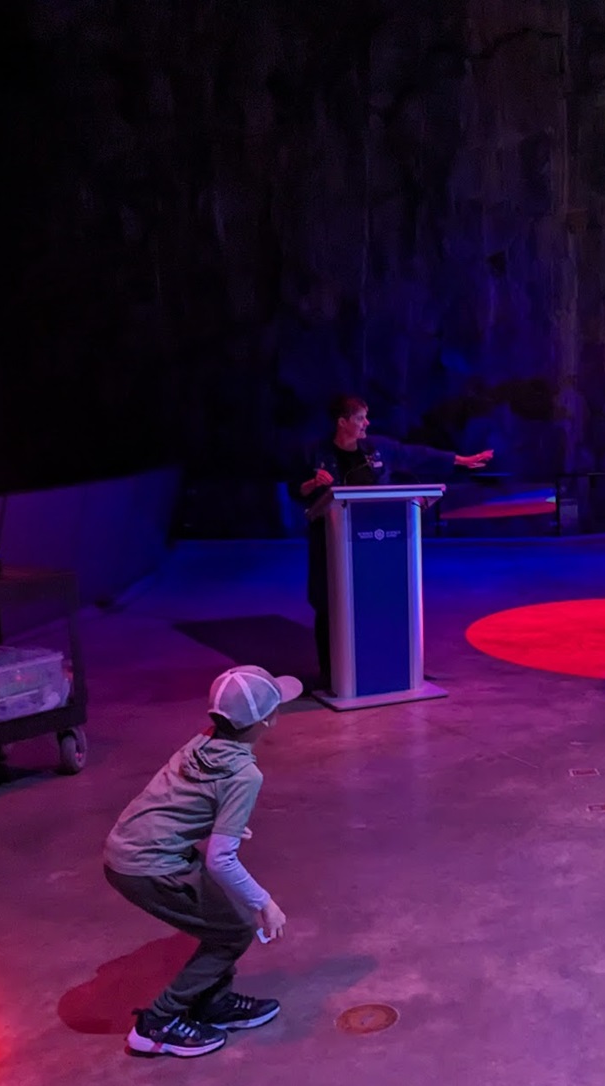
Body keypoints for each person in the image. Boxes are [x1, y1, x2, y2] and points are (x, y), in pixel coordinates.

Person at [103, 664, 302, 1059]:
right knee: (234, 931)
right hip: (150, 865)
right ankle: (155, 1025)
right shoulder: (244, 774)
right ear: (268, 721)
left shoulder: (203, 741)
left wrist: (218, 822)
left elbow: (182, 800)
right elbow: (221, 860)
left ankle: (212, 1002)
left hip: (127, 849)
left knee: (225, 920)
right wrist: (265, 902)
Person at [293, 394, 493, 687]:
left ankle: (379, 664)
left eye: (366, 417)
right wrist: (312, 484)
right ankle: (332, 676)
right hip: (331, 546)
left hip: (373, 545)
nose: (366, 423)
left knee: (373, 601)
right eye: (360, 418)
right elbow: (293, 489)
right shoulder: (315, 453)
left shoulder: (376, 449)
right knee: (329, 604)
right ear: (342, 422)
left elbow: (416, 454)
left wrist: (460, 460)